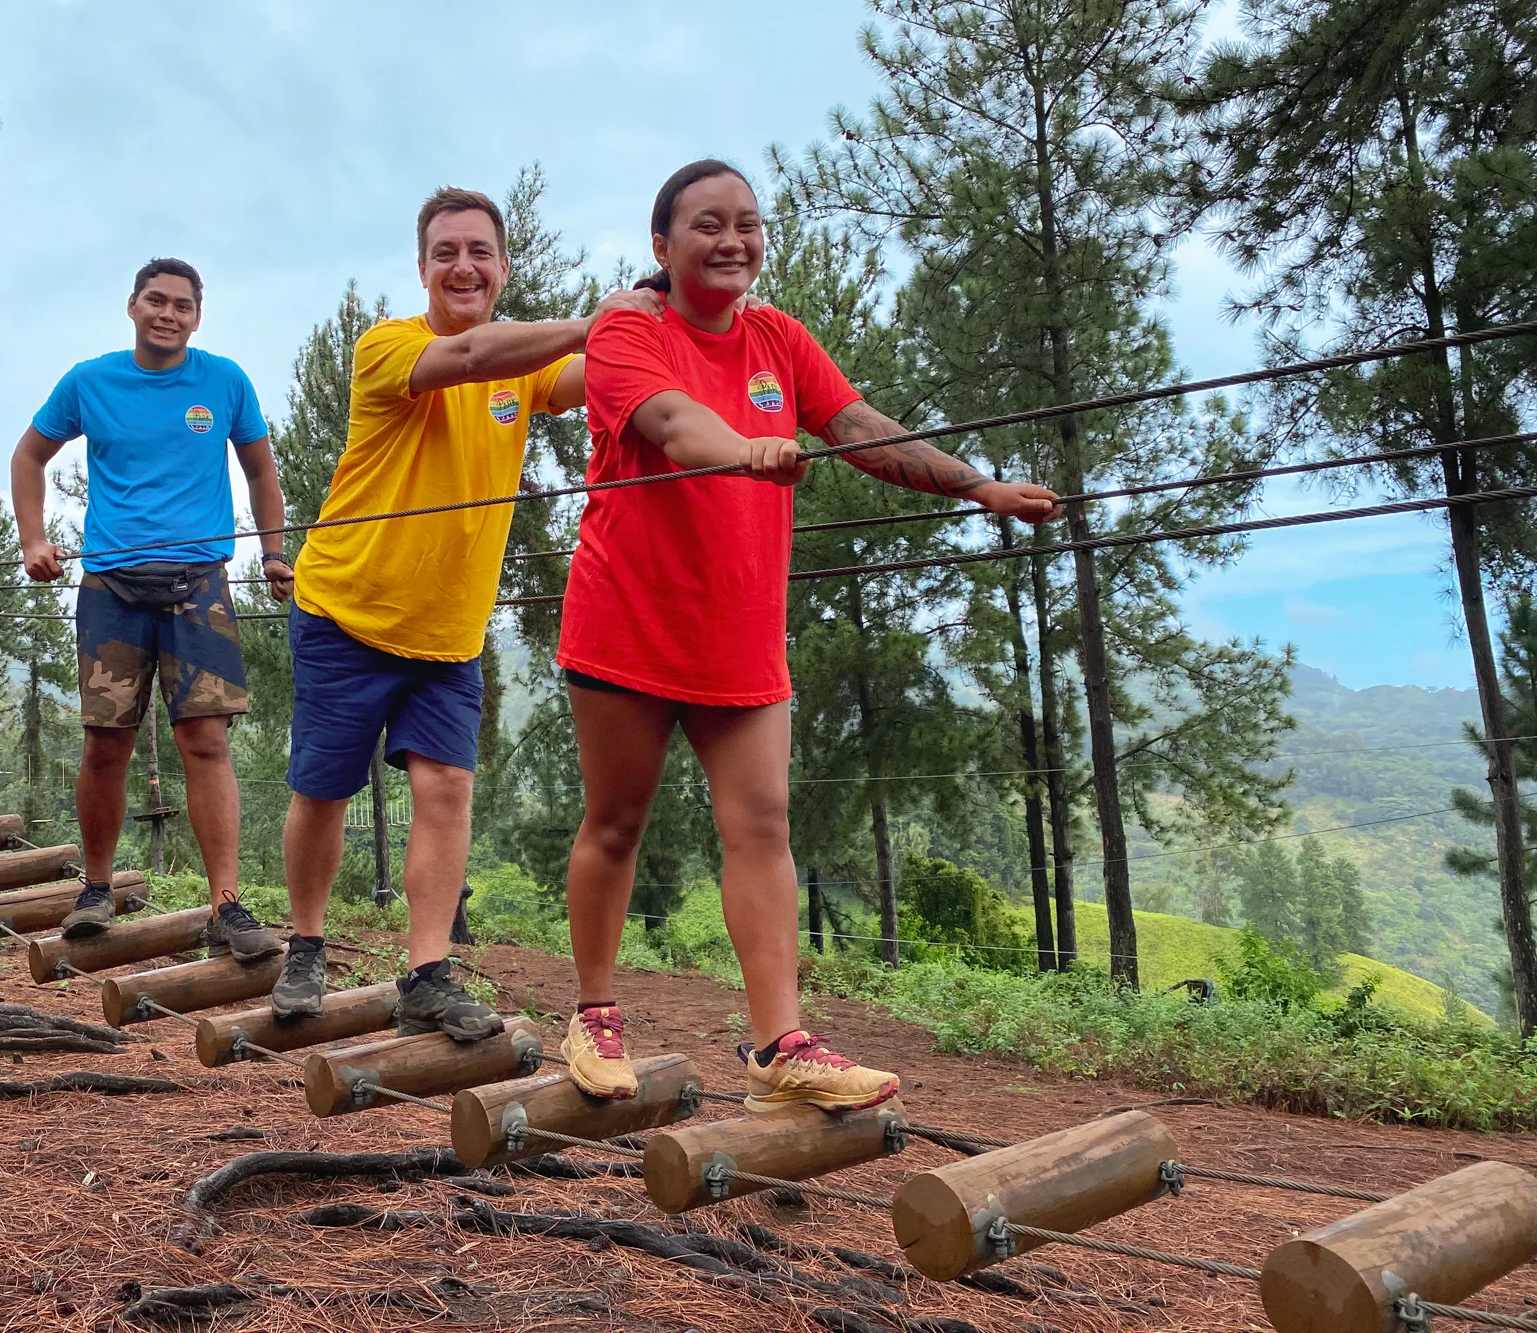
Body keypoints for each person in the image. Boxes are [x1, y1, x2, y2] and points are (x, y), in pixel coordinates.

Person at [554, 161, 1060, 1111]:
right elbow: (670, 421)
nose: (732, 239)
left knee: (762, 828)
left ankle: (780, 1045)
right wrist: (744, 450)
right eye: (708, 224)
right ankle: (592, 1013)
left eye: (747, 222)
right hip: (628, 620)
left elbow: (860, 425)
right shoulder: (628, 325)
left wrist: (975, 485)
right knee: (617, 822)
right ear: (662, 244)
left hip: (740, 632)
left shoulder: (779, 337)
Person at [269, 188, 660, 1039]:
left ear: (502, 267)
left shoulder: (526, 367)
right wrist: (595, 319)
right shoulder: (388, 346)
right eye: (446, 252)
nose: (463, 266)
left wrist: (668, 316)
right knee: (324, 789)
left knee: (446, 790)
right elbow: (474, 355)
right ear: (422, 268)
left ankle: (426, 972)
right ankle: (303, 946)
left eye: (479, 252)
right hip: (346, 611)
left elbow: (600, 372)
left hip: (448, 635)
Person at [12, 257, 292, 961]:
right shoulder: (90, 381)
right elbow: (29, 455)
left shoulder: (224, 381)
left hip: (201, 583)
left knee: (207, 740)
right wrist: (34, 539)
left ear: (198, 315)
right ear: (133, 306)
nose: (169, 314)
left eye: (183, 305)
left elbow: (261, 469)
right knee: (107, 742)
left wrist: (274, 552)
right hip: (110, 585)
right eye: (157, 301)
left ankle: (226, 903)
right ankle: (96, 890)